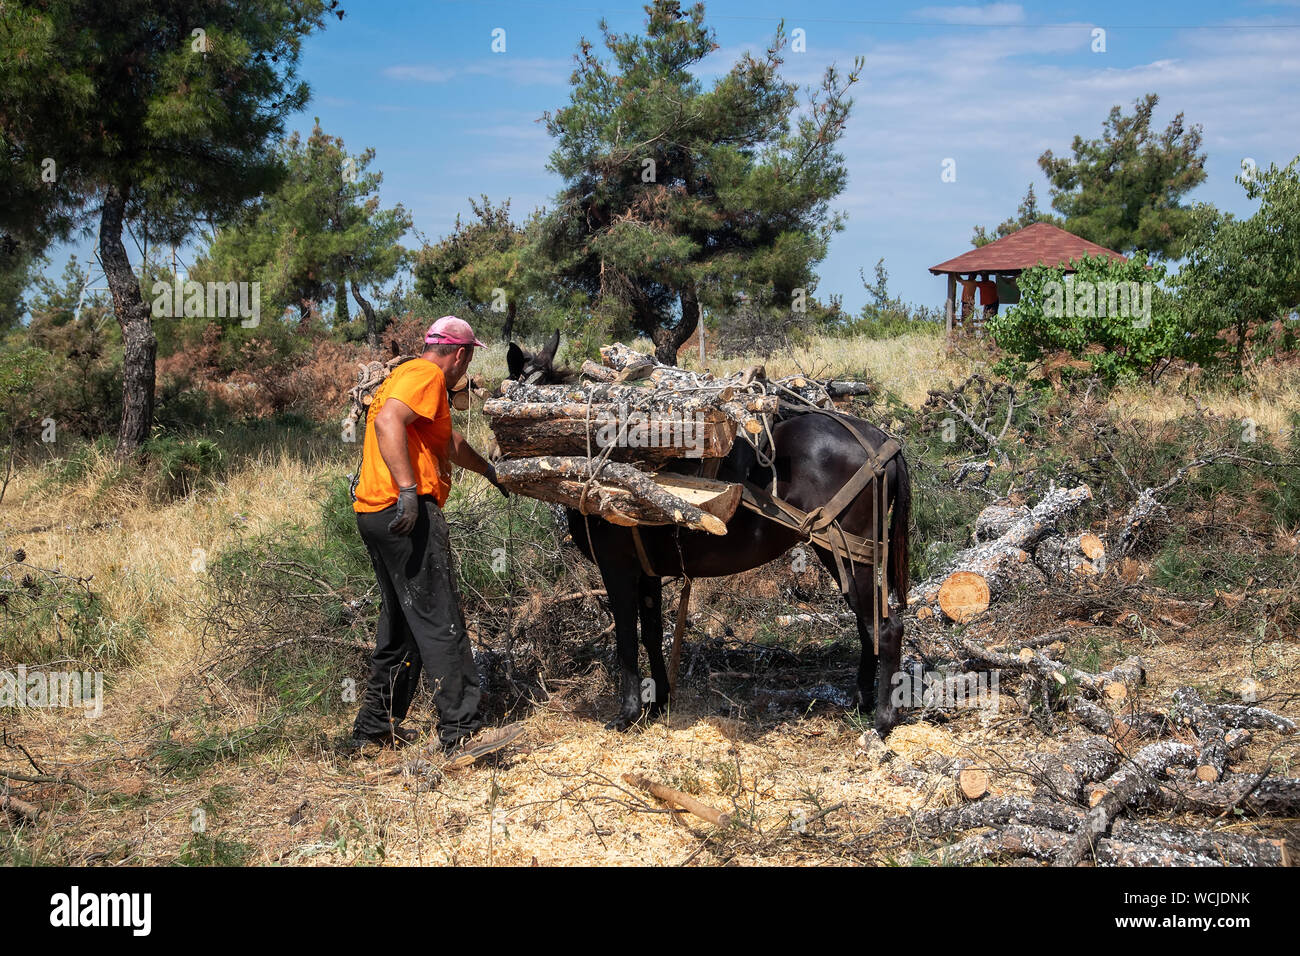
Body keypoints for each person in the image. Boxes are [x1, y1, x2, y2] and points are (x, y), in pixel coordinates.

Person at [347, 315, 523, 767]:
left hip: (374, 513)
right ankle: (461, 731)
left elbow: (448, 442)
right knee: (441, 618)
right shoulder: (426, 375)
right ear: (460, 355)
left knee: (402, 625)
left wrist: (489, 471)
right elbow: (387, 424)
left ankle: (373, 730)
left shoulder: (403, 375)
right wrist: (409, 492)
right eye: (469, 360)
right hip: (405, 512)